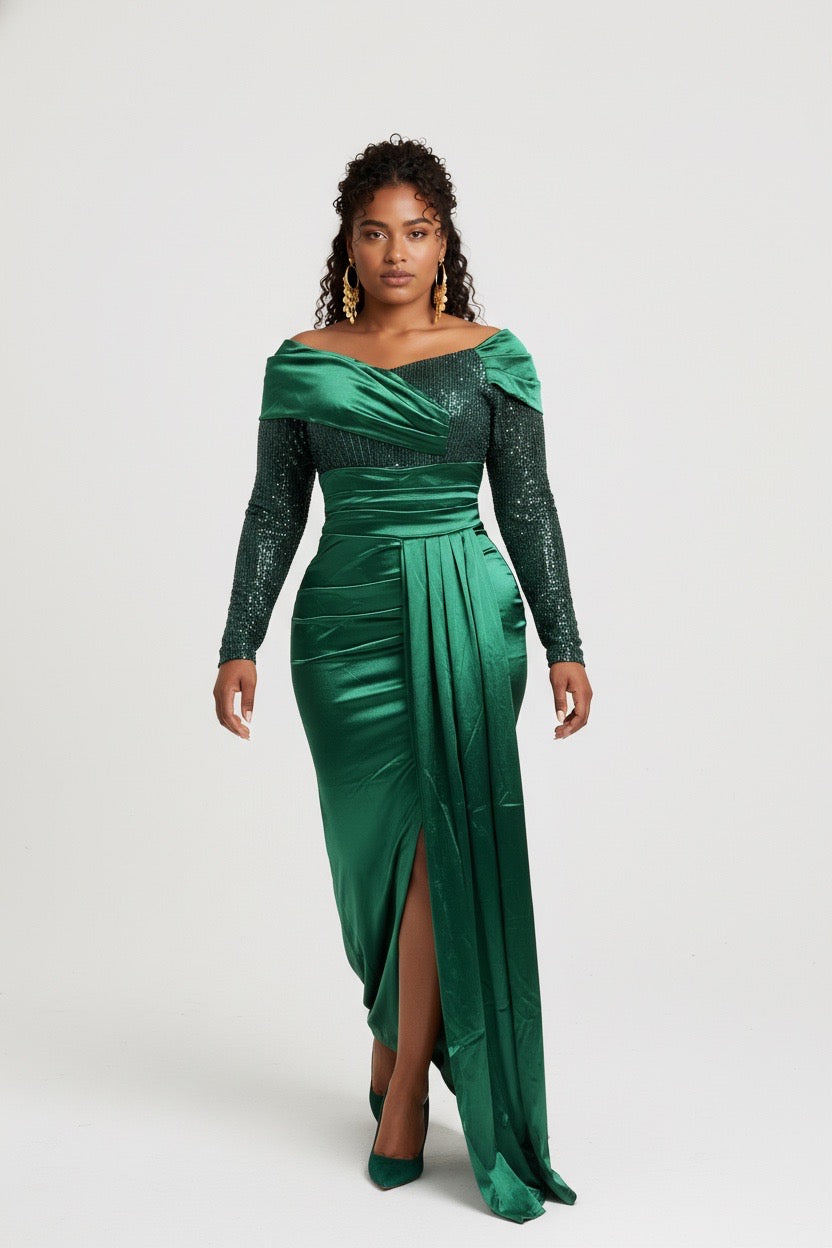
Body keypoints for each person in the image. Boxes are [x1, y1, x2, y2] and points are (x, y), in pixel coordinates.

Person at [213, 133, 593, 1224]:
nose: (395, 252)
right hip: (342, 629)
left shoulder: (494, 358)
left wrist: (563, 642)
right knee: (370, 862)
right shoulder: (301, 361)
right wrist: (239, 639)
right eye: (374, 232)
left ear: (443, 241)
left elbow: (528, 505)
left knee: (439, 846)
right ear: (347, 242)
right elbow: (274, 509)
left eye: (416, 232)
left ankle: (404, 1095)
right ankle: (393, 1036)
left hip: (466, 615)